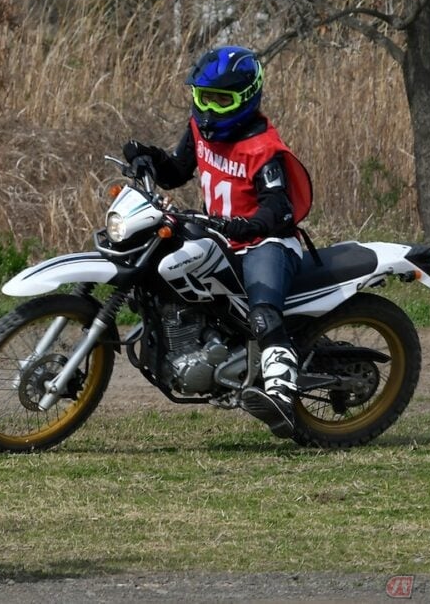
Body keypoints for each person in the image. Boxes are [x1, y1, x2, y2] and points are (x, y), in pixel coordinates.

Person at [122, 45, 312, 438]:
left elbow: (278, 208)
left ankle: (280, 395)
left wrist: (246, 226)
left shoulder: (264, 150)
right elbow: (175, 172)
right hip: (220, 235)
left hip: (266, 244)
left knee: (263, 314)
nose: (208, 109)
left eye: (220, 101)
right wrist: (147, 158)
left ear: (245, 99)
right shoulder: (199, 129)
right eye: (203, 98)